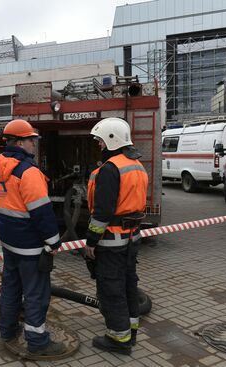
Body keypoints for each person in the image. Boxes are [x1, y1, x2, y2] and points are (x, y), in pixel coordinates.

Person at [0, 119, 66, 356]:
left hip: (9, 243)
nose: (35, 144)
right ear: (20, 142)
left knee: (11, 288)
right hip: (31, 248)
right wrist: (53, 241)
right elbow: (42, 213)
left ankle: (7, 330)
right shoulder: (29, 172)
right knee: (36, 294)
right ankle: (37, 342)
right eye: (32, 140)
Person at [84, 117, 148, 355]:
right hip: (132, 238)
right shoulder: (136, 165)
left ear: (112, 139)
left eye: (100, 141)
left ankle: (118, 339)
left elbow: (102, 213)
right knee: (129, 284)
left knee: (111, 289)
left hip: (111, 241)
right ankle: (130, 332)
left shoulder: (110, 169)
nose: (98, 145)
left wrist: (91, 242)